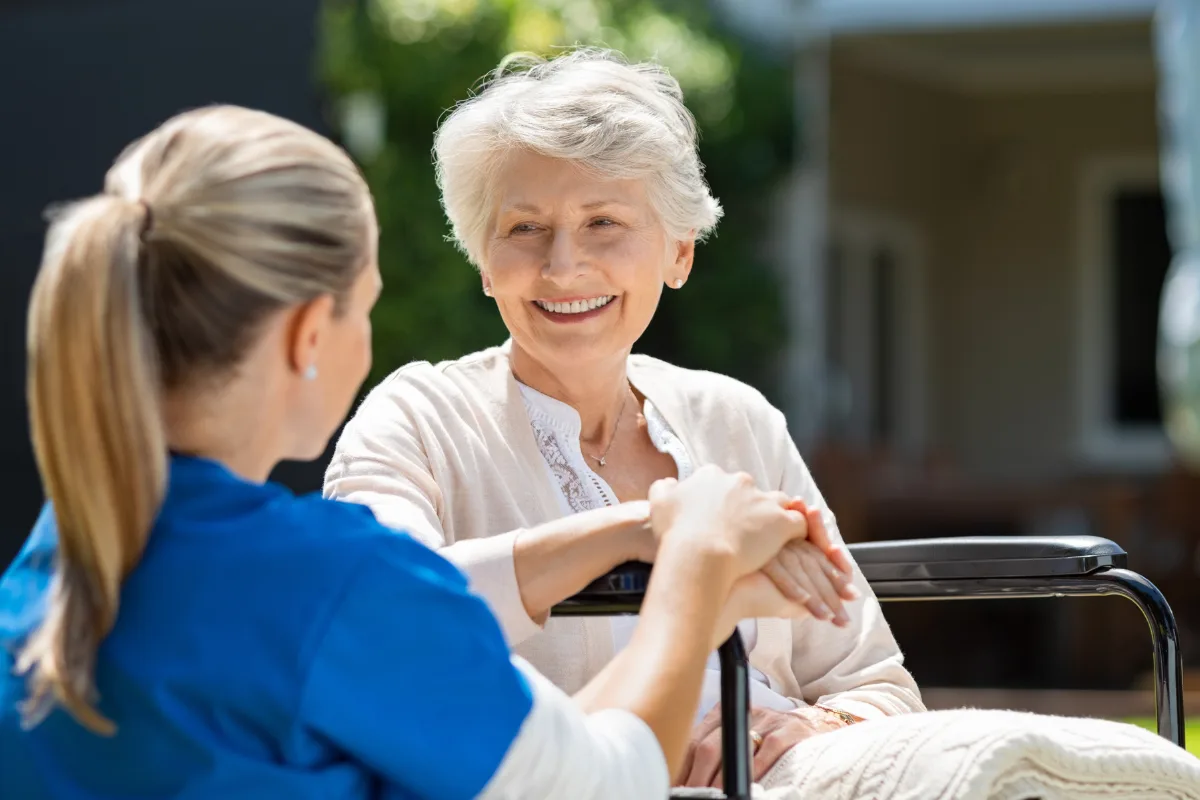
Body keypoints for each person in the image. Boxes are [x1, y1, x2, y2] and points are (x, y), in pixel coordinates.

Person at [0, 104, 841, 799]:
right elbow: (604, 783)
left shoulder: (48, 570)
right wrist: (695, 560)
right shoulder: (335, 587)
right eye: (364, 306)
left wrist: (635, 538)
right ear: (306, 336)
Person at [323, 48, 924, 790]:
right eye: (524, 229)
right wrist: (651, 529)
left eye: (603, 222)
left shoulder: (736, 420)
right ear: (484, 261)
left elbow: (877, 685)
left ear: (679, 252)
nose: (563, 265)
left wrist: (804, 728)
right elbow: (381, 621)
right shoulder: (416, 418)